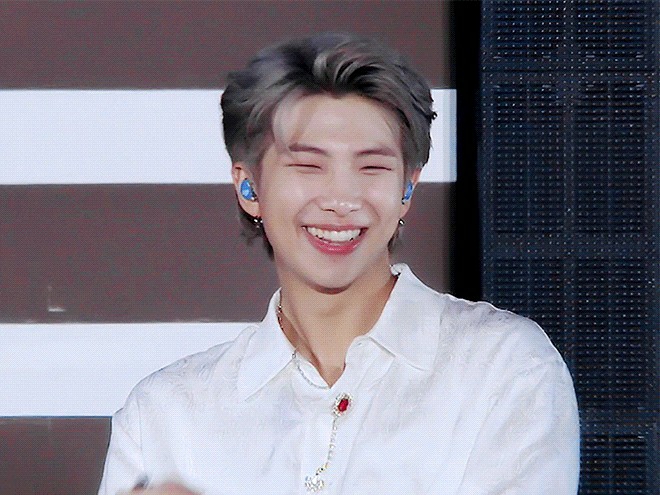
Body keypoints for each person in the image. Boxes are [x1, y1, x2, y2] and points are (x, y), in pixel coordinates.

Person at [99, 33, 580, 495]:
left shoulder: (503, 368)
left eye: (372, 167)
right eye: (308, 166)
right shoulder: (163, 415)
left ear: (407, 189)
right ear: (249, 187)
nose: (341, 199)